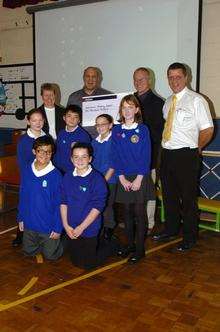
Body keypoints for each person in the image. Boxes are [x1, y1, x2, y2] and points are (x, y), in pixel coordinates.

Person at [153, 62, 214, 251]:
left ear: (186, 77)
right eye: (171, 77)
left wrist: (197, 148)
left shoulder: (196, 100)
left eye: (178, 77)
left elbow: (208, 129)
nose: (174, 80)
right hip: (168, 154)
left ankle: (190, 237)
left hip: (187, 154)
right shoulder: (167, 102)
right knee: (169, 196)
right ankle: (171, 229)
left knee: (188, 199)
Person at [60, 142, 118, 269]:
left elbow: (97, 207)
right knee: (75, 262)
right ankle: (100, 242)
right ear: (71, 159)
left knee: (88, 264)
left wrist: (81, 228)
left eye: (84, 156)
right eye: (76, 157)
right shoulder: (67, 176)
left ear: (90, 159)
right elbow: (63, 202)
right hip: (71, 227)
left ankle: (112, 245)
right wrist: (65, 225)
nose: (80, 160)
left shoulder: (97, 179)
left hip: (89, 228)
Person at [111, 94, 152, 264]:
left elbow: (146, 156)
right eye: (124, 107)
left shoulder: (142, 130)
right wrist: (121, 177)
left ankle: (140, 249)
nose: (127, 110)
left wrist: (138, 179)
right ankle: (129, 245)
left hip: (139, 177)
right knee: (126, 212)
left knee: (139, 212)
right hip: (123, 177)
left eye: (130, 107)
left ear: (136, 110)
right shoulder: (116, 130)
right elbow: (115, 155)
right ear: (121, 110)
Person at [18, 136, 63, 260]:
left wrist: (58, 227)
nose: (44, 154)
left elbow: (59, 204)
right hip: (30, 223)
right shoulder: (27, 170)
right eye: (40, 151)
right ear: (34, 151)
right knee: (28, 252)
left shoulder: (56, 175)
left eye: (48, 151)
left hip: (48, 225)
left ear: (52, 153)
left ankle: (63, 241)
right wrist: (21, 218)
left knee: (51, 256)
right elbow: (22, 196)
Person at [133, 67, 164, 232]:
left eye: (142, 79)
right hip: (131, 157)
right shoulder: (129, 101)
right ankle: (137, 221)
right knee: (134, 191)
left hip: (149, 156)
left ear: (149, 80)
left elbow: (159, 134)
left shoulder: (159, 103)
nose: (138, 83)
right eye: (136, 80)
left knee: (149, 191)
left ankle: (149, 223)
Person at [12, 108, 46, 247]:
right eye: (34, 120)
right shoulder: (24, 140)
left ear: (43, 121)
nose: (37, 123)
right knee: (26, 206)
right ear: (28, 121)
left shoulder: (47, 137)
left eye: (40, 120)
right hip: (30, 180)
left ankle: (39, 234)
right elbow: (22, 163)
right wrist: (30, 180)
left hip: (44, 179)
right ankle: (20, 234)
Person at [92, 114, 117, 240]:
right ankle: (99, 226)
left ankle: (109, 227)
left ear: (110, 125)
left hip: (109, 179)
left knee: (107, 205)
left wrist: (104, 181)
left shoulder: (114, 141)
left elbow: (114, 163)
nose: (100, 127)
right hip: (97, 180)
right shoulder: (94, 142)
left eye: (103, 124)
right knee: (96, 204)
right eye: (98, 124)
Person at [54, 104, 91, 174]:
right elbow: (57, 152)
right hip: (58, 171)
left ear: (79, 120)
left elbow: (86, 158)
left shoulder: (83, 136)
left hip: (74, 172)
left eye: (75, 117)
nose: (72, 119)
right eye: (69, 116)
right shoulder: (61, 133)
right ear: (64, 118)